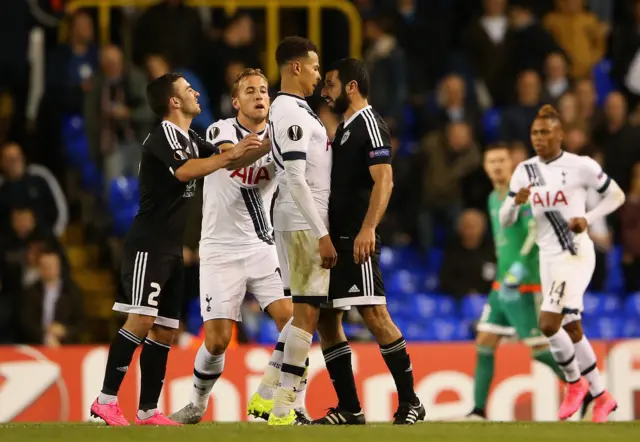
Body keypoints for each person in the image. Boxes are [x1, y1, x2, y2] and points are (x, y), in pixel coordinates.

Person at [89, 72, 262, 426]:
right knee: (141, 319)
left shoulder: (189, 136)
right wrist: (229, 157)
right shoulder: (161, 137)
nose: (195, 92)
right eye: (187, 90)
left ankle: (148, 410)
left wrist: (264, 146)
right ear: (173, 102)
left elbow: (226, 159)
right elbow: (186, 171)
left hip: (172, 249)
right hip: (148, 245)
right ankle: (105, 401)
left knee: (165, 329)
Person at [169, 68, 307, 424]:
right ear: (236, 102)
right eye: (250, 91)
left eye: (264, 90)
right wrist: (276, 146)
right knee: (216, 341)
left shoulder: (279, 136)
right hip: (218, 250)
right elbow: (233, 161)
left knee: (297, 323)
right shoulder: (221, 130)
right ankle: (197, 404)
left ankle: (289, 403)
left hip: (262, 247)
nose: (260, 96)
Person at [314, 57, 425, 425]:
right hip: (335, 243)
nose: (324, 91)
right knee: (328, 321)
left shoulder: (370, 125)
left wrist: (368, 229)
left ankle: (411, 401)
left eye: (330, 84)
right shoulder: (345, 128)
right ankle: (349, 407)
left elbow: (385, 181)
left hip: (356, 241)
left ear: (350, 87)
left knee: (375, 315)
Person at [499, 105, 625, 423]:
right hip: (548, 257)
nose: (538, 138)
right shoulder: (524, 170)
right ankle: (602, 397)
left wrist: (589, 218)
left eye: (545, 132)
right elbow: (505, 220)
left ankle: (573, 383)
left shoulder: (580, 165)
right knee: (571, 325)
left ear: (560, 134)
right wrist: (515, 202)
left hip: (576, 253)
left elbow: (617, 196)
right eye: (534, 133)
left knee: (548, 324)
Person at [464, 143, 565, 421]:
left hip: (525, 283)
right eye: (491, 161)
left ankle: (584, 387)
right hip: (501, 285)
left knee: (539, 349)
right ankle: (478, 411)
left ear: (511, 164)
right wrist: (505, 272)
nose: (497, 165)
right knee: (485, 341)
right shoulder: (492, 198)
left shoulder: (523, 194)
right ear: (485, 167)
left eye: (501, 160)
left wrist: (520, 267)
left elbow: (535, 232)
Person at [267, 36, 336, 426]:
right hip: (301, 220)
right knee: (306, 316)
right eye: (313, 67)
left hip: (295, 219)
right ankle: (286, 408)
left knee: (301, 315)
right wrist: (321, 232)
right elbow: (294, 176)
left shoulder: (293, 109)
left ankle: (274, 400)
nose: (317, 75)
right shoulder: (291, 111)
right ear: (295, 67)